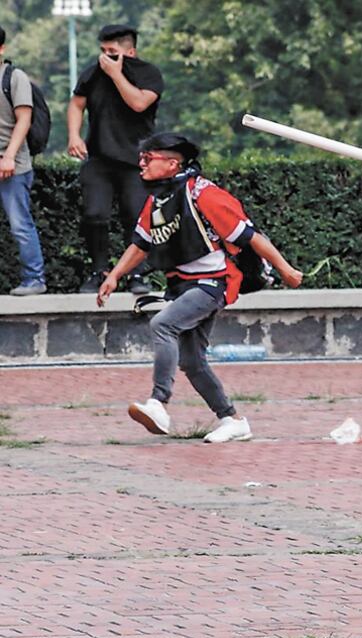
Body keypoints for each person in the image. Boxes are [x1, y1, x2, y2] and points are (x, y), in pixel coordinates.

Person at [96, 133, 304, 443]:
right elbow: (141, 243)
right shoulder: (159, 200)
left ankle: (159, 404)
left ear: (171, 163)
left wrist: (286, 269)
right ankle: (233, 421)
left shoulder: (202, 194)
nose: (141, 164)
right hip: (184, 287)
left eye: (148, 158)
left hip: (213, 285)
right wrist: (114, 275)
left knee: (162, 324)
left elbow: (250, 236)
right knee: (192, 361)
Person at [69, 24, 164, 294]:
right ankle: (99, 270)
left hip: (136, 161)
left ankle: (137, 273)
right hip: (98, 158)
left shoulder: (149, 74)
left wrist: (116, 74)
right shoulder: (93, 73)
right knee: (94, 215)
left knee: (135, 217)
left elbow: (138, 103)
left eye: (112, 52)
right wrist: (74, 135)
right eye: (102, 51)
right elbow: (77, 102)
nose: (105, 57)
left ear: (130, 51)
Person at [0, 26, 46, 296]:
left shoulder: (14, 77)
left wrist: (8, 157)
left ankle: (34, 279)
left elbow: (24, 120)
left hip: (12, 165)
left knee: (19, 224)